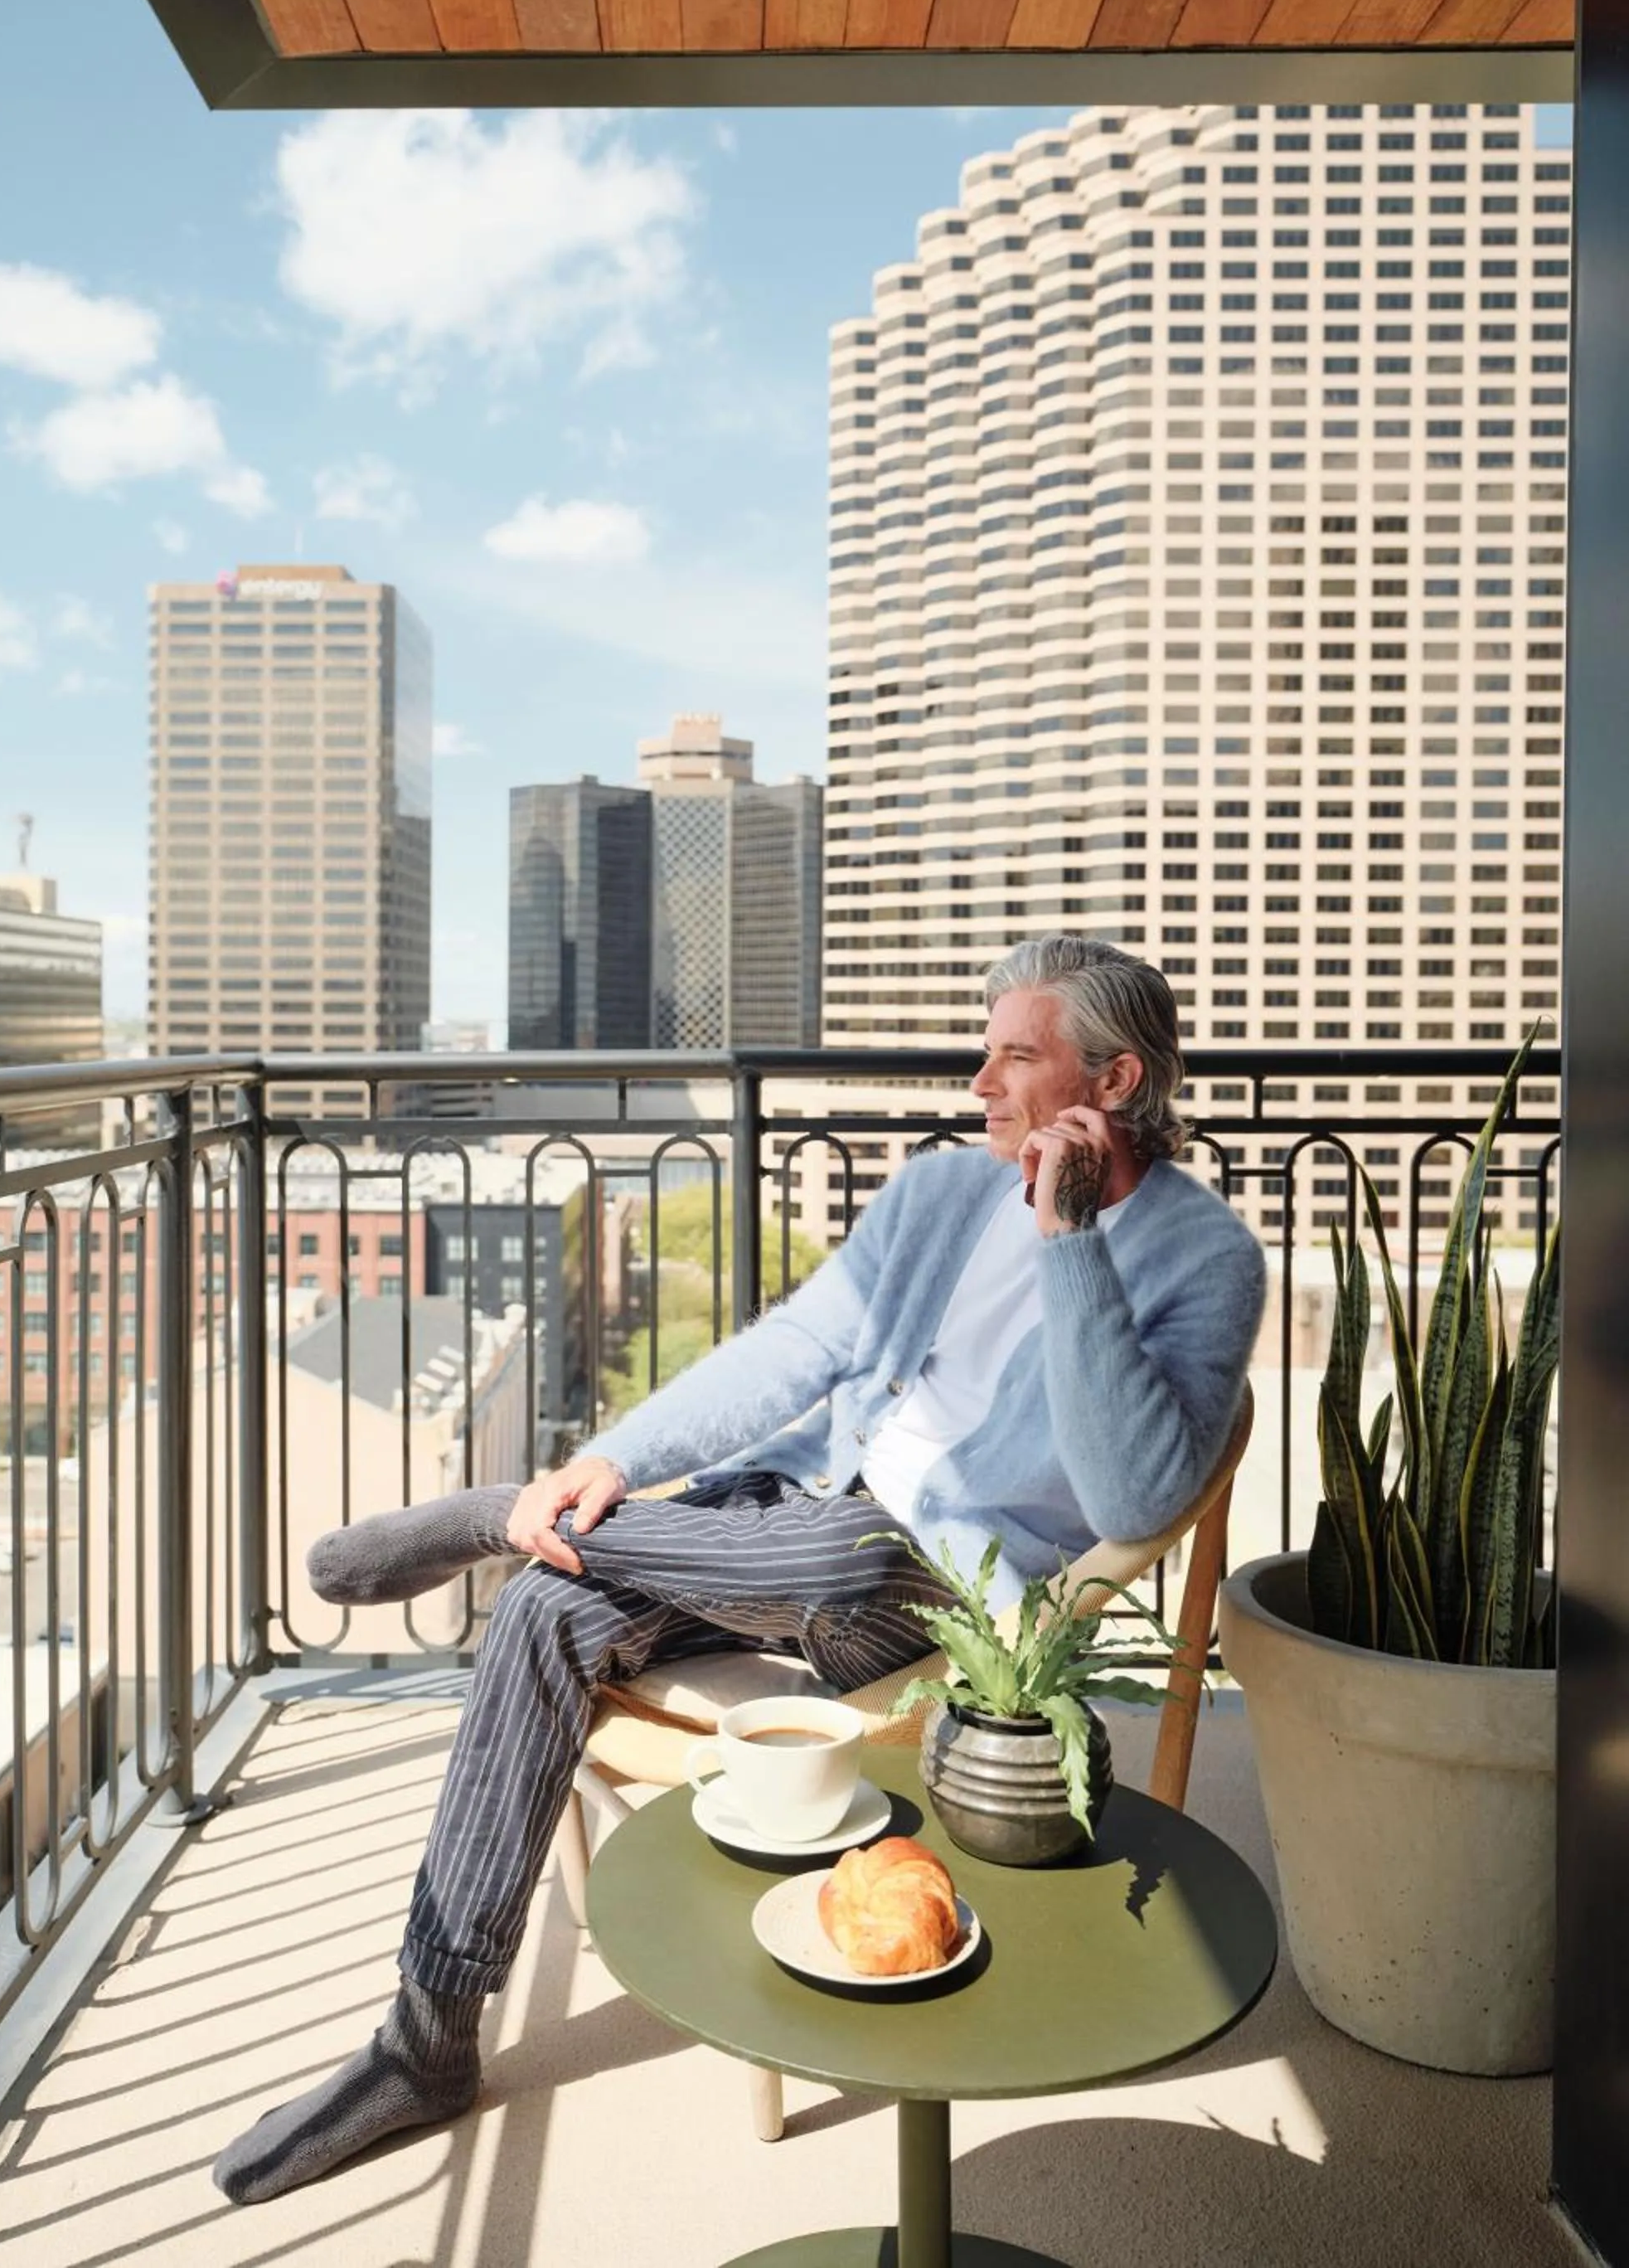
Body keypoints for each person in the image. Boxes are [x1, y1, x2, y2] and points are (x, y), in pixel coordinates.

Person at [212, 934, 1266, 2204]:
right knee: (544, 1606)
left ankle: (489, 1516)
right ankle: (423, 2044)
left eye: (1013, 1056)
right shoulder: (942, 1195)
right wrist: (607, 1458)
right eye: (982, 1053)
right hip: (789, 1512)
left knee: (836, 1550)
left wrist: (1070, 1240)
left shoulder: (1207, 1260)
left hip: (938, 1582)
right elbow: (793, 1353)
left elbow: (1136, 1495)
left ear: (1113, 1079)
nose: (978, 1083)